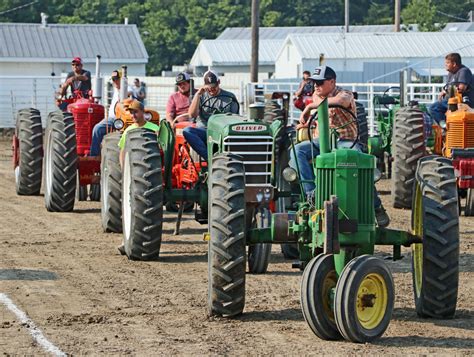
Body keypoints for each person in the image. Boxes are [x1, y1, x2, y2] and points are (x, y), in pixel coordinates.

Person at [289, 65, 390, 228]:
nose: (316, 86)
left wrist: (308, 107)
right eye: (315, 83)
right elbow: (321, 114)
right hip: (322, 141)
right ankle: (311, 194)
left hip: (346, 141)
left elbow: (340, 102)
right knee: (297, 151)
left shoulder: (345, 94)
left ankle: (376, 206)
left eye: (320, 82)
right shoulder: (317, 94)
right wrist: (307, 123)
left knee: (362, 164)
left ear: (332, 82)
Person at [185, 70, 239, 160]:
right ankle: (210, 159)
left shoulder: (230, 97)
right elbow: (192, 114)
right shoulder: (201, 96)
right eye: (209, 87)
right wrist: (198, 95)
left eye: (214, 86)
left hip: (222, 132)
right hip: (205, 131)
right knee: (187, 131)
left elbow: (234, 118)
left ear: (219, 82)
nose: (211, 89)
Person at [429, 53, 474, 124]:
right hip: (450, 101)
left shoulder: (464, 71)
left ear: (454, 64)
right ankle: (445, 126)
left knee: (434, 108)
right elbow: (449, 86)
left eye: (447, 63)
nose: (445, 65)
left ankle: (448, 126)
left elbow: (461, 88)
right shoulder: (451, 73)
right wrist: (443, 91)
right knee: (433, 108)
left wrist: (447, 90)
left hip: (461, 102)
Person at [118, 100, 160, 167]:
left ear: (143, 112)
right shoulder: (128, 131)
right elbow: (122, 151)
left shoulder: (155, 128)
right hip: (134, 167)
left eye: (136, 112)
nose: (133, 115)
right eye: (131, 113)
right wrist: (123, 169)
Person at [89, 70, 121, 156]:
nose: (114, 81)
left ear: (122, 79)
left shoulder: (125, 90)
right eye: (113, 79)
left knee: (97, 129)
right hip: (112, 118)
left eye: (116, 79)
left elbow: (131, 93)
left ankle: (94, 156)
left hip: (116, 120)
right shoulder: (116, 89)